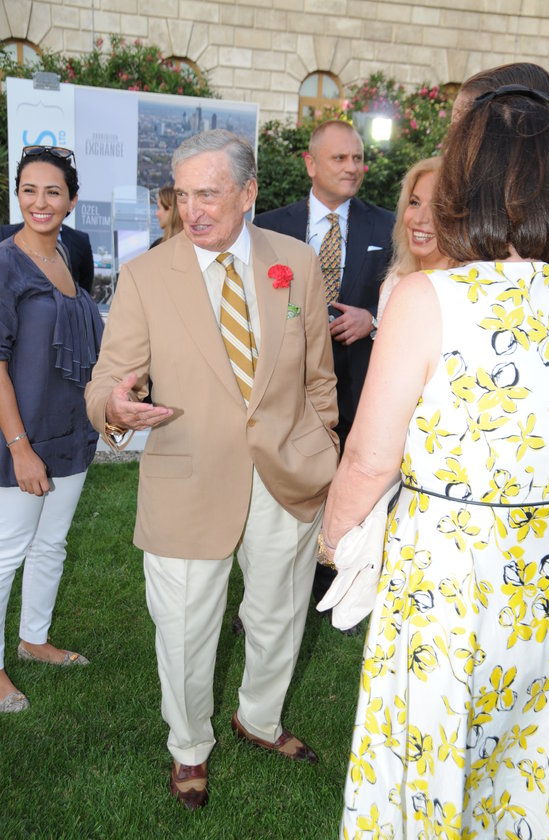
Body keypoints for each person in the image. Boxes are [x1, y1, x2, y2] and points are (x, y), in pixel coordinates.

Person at [321, 77, 549, 837]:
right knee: (525, 756)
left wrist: (335, 543)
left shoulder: (432, 299)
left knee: (428, 754)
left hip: (447, 575)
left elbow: (368, 460)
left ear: (468, 181)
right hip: (543, 574)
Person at [85, 129, 339, 811]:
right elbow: (107, 381)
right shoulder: (145, 276)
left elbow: (319, 377)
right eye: (182, 195)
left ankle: (259, 718)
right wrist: (114, 409)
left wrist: (323, 447)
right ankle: (189, 746)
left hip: (286, 475)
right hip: (187, 481)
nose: (192, 210)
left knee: (279, 613)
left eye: (209, 194)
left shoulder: (295, 263)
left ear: (248, 193)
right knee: (186, 630)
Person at [254, 119, 394, 612]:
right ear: (310, 164)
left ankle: (338, 588)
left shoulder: (389, 225)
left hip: (359, 384)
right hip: (285, 385)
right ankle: (269, 593)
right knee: (281, 489)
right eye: (340, 158)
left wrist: (372, 318)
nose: (353, 167)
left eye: (358, 158)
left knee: (352, 488)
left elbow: (409, 291)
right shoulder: (268, 226)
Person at [0, 145, 104, 714]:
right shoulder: (4, 263)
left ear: (71, 200)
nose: (39, 202)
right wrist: (20, 448)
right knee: (6, 554)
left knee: (51, 545)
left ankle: (34, 639)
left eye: (52, 192)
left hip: (71, 432)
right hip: (21, 437)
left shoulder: (71, 253)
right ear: (17, 194)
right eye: (29, 190)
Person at [377, 156, 449, 321]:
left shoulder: (474, 290)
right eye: (415, 203)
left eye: (437, 207)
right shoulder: (392, 285)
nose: (419, 218)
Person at [0, 221, 95, 293]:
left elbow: (84, 288)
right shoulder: (4, 234)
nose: (41, 204)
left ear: (71, 204)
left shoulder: (80, 240)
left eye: (53, 195)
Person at [150, 184, 183, 249]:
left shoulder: (158, 247)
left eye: (159, 208)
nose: (156, 213)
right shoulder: (194, 247)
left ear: (170, 210)